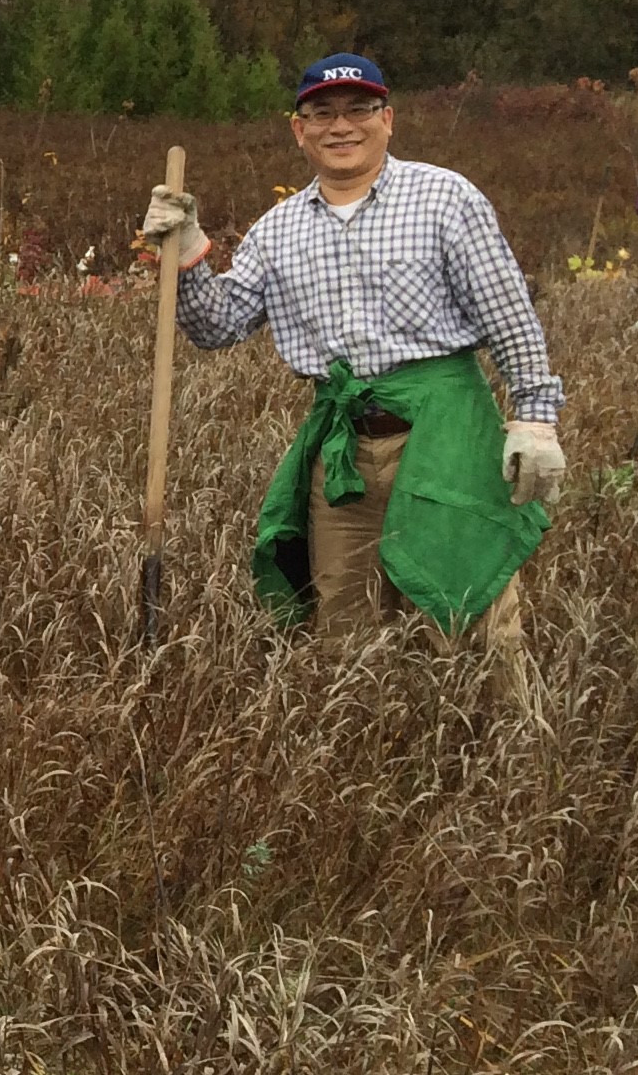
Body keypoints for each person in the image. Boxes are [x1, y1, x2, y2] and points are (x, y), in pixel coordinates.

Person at [140, 53, 562, 644]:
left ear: (387, 119)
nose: (342, 127)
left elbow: (510, 319)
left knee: (474, 618)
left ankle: (505, 736)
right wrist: (185, 252)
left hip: (447, 438)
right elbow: (217, 326)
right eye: (322, 113)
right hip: (343, 459)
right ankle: (370, 737)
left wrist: (535, 423)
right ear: (299, 129)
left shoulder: (446, 199)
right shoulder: (278, 230)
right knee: (346, 634)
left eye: (359, 109)